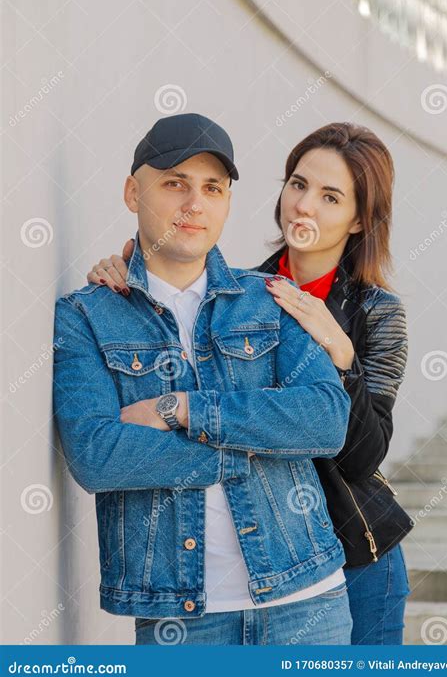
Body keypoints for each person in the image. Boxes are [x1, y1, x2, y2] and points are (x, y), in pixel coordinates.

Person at [87, 121, 412, 645]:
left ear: (358, 220)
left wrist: (341, 352)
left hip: (357, 556)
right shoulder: (246, 293)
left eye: (331, 197)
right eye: (298, 184)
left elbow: (362, 455)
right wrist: (131, 272)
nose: (304, 206)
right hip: (258, 557)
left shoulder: (378, 313)